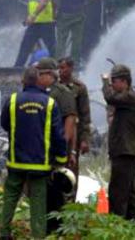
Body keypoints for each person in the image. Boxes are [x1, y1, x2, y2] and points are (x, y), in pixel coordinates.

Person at [0, 67, 67, 240]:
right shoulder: (49, 103)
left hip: (16, 161)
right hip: (40, 163)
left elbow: (5, 124)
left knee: (10, 198)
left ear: (23, 81)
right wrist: (61, 158)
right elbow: (57, 134)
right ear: (38, 81)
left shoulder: (13, 100)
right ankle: (38, 236)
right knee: (38, 202)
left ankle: (4, 233)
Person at [34, 58, 76, 234]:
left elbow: (70, 118)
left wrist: (64, 144)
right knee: (44, 189)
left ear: (49, 74)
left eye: (39, 74)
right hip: (42, 148)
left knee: (55, 189)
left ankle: (57, 228)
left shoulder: (62, 92)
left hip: (55, 148)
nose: (36, 77)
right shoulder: (41, 92)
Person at [102, 64, 135, 221]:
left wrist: (104, 82)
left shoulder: (129, 97)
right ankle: (133, 223)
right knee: (129, 191)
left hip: (124, 150)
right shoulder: (130, 99)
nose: (112, 84)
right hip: (127, 150)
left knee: (118, 191)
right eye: (111, 81)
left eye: (114, 81)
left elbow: (110, 98)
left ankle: (116, 224)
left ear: (124, 81)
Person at [54, 0, 101, 64]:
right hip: (78, 14)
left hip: (64, 14)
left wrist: (56, 8)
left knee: (61, 40)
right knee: (77, 40)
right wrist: (87, 3)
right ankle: (74, 63)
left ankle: (58, 63)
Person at [58, 57, 91, 188]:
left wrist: (84, 139)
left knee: (72, 169)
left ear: (71, 69)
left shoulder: (79, 88)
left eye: (63, 68)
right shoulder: (55, 87)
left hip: (73, 135)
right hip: (57, 132)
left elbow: (85, 115)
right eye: (59, 68)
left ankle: (71, 198)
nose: (60, 71)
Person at [14, 0, 56, 67]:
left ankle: (56, 67)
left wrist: (33, 15)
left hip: (45, 23)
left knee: (52, 48)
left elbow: (44, 1)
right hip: (35, 23)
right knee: (25, 46)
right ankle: (17, 68)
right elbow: (34, 2)